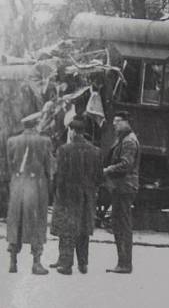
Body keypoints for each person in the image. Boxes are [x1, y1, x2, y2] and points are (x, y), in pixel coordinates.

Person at [50, 116, 103, 275]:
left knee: (67, 230)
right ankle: (83, 264)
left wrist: (56, 193)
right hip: (87, 196)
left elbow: (59, 176)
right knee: (83, 230)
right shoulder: (96, 151)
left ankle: (65, 264)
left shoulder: (64, 150)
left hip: (68, 196)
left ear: (72, 131)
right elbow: (99, 177)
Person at [6, 112, 55, 275]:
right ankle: (36, 262)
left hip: (18, 184)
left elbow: (10, 165)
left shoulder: (12, 141)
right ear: (36, 124)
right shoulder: (45, 141)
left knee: (15, 221)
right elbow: (49, 166)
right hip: (36, 185)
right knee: (37, 221)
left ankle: (13, 261)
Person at [103, 110, 140, 274]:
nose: (114, 124)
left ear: (126, 122)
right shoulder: (125, 139)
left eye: (117, 121)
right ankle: (123, 262)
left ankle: (124, 264)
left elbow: (126, 164)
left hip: (125, 186)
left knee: (122, 225)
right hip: (122, 186)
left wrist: (107, 170)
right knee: (119, 224)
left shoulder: (129, 141)